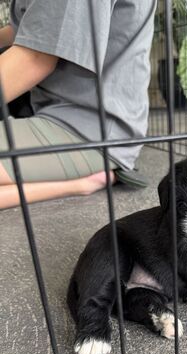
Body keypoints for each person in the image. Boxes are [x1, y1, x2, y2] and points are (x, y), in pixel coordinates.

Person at [0, 0, 156, 209]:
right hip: (67, 116)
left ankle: (79, 181)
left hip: (91, 129)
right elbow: (34, 27)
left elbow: (34, 59)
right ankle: (79, 184)